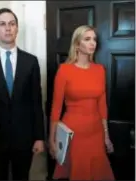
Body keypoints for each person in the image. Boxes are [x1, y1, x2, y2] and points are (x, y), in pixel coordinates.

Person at [0, 8, 45, 180]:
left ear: (17, 28)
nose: (8, 28)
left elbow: (36, 101)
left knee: (22, 176)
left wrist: (39, 137)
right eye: (2, 24)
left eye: (12, 24)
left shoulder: (30, 61)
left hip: (24, 136)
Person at [49, 25, 115, 180]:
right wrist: (52, 139)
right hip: (73, 133)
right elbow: (56, 107)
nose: (93, 43)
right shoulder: (64, 70)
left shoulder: (99, 70)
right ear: (77, 44)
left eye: (94, 39)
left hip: (96, 132)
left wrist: (106, 136)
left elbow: (102, 105)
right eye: (87, 39)